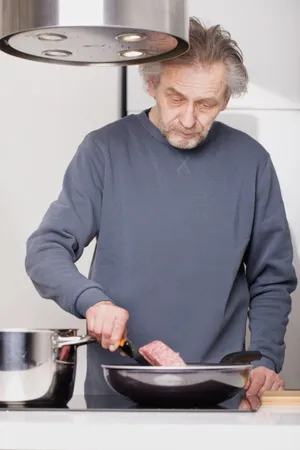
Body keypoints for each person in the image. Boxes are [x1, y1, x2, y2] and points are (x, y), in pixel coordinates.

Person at [25, 17, 297, 398]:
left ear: (226, 99)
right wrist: (93, 302)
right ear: (151, 85)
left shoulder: (251, 162)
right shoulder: (104, 150)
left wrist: (267, 359)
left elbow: (272, 278)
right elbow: (45, 250)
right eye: (176, 98)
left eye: (206, 104)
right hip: (116, 389)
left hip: (220, 390)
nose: (188, 120)